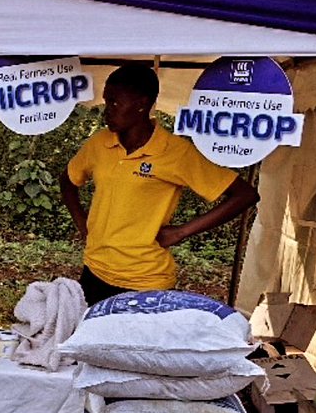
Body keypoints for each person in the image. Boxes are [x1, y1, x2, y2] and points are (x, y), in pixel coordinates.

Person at [60, 62, 259, 305]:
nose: (107, 111)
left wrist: (181, 232)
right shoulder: (100, 144)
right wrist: (82, 223)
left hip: (146, 281)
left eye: (115, 103)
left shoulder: (175, 153)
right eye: (105, 101)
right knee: (88, 342)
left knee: (134, 344)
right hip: (95, 270)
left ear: (142, 105)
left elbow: (244, 195)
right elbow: (68, 181)